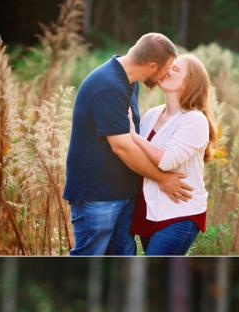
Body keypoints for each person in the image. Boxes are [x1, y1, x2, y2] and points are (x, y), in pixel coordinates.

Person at [63, 33, 193, 255]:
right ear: (152, 66)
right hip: (97, 198)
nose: (167, 74)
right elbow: (122, 146)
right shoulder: (108, 86)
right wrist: (162, 178)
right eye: (167, 69)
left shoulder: (128, 82)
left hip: (122, 195)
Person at [128, 54, 214, 255]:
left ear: (189, 82)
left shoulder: (195, 119)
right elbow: (137, 155)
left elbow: (166, 160)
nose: (168, 70)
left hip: (179, 213)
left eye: (176, 69)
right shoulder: (152, 114)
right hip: (149, 210)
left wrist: (132, 135)